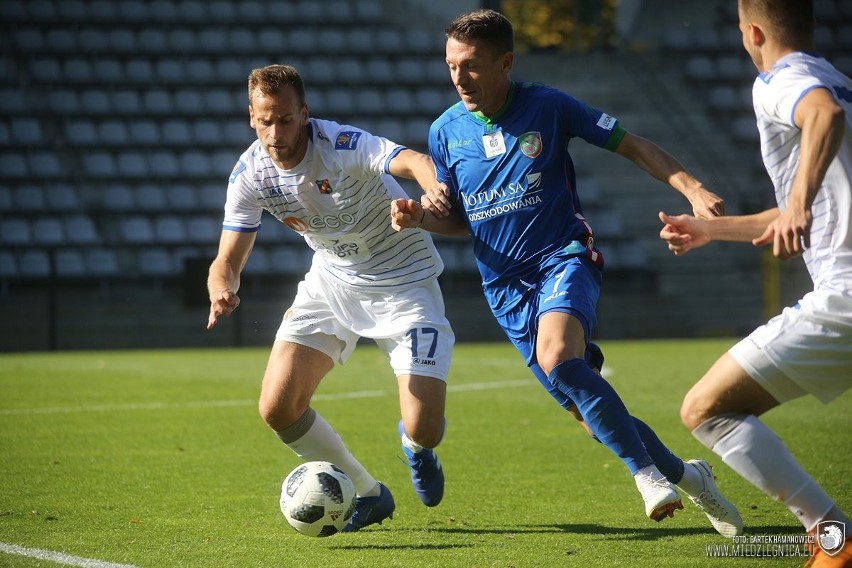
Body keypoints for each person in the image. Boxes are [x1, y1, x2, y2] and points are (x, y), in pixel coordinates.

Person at [390, 8, 742, 536]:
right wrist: (420, 217)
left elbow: (632, 144)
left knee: (559, 356)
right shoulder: (445, 131)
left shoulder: (549, 106)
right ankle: (690, 477)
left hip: (563, 256)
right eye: (450, 65)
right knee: (589, 413)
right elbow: (464, 223)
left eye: (471, 65)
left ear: (506, 62)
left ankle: (646, 476)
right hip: (503, 287)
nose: (459, 77)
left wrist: (690, 188)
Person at [207, 64, 453, 532]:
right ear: (251, 117)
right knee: (278, 409)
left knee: (426, 427)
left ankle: (416, 447)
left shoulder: (341, 146)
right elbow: (227, 259)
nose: (275, 131)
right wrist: (222, 288)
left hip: (404, 284)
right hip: (331, 282)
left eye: (284, 119)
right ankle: (368, 492)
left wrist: (431, 187)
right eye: (265, 120)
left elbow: (412, 159)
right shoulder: (250, 174)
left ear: (304, 114)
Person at [659, 0, 852, 565]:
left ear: (753, 31)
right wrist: (710, 229)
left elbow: (822, 118)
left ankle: (832, 539)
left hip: (846, 296)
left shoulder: (780, 80)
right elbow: (815, 205)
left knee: (707, 409)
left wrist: (794, 204)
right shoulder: (838, 79)